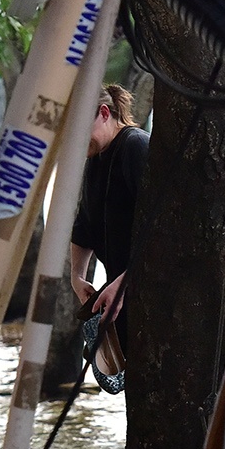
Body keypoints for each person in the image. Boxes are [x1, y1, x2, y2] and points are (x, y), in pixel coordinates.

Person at [69, 83, 148, 342]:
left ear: (104, 113)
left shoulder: (135, 146)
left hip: (148, 291)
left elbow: (163, 229)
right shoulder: (95, 156)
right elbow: (84, 225)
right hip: (118, 293)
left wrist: (125, 283)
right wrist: (77, 276)